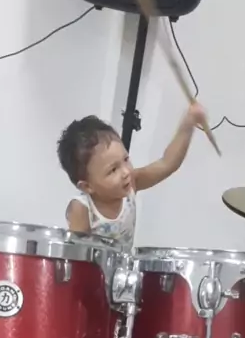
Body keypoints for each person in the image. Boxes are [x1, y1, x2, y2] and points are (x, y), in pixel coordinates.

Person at [57, 103, 207, 245]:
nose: (126, 172)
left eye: (126, 159)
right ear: (87, 186)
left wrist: (188, 123)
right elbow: (76, 256)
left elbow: (167, 163)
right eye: (113, 170)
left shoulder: (131, 183)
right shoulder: (82, 208)